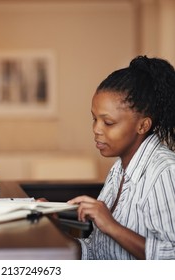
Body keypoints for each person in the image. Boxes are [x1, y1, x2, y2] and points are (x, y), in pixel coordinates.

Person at [68, 55, 175, 260]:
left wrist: (111, 226)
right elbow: (100, 252)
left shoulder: (165, 172)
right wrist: (52, 230)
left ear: (142, 125)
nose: (96, 129)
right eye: (94, 118)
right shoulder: (119, 170)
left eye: (108, 123)